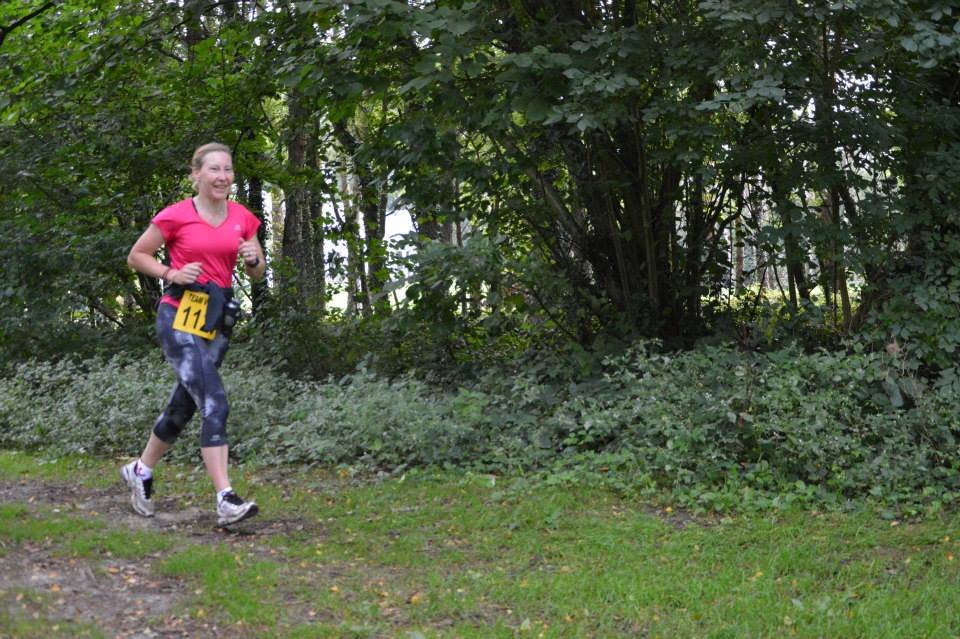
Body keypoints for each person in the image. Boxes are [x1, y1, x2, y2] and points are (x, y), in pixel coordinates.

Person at [122, 142, 266, 526]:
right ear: (196, 174)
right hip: (179, 313)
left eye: (228, 170)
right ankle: (225, 498)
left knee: (184, 405)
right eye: (214, 169)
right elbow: (137, 255)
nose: (222, 177)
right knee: (214, 401)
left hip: (216, 318)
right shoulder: (176, 215)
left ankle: (140, 470)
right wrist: (171, 273)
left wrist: (253, 260)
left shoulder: (242, 217)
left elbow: (257, 271)